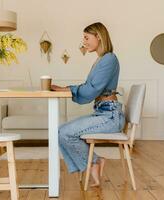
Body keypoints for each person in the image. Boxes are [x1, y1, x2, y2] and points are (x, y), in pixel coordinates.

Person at [51, 22, 125, 186]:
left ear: (98, 36)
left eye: (86, 38)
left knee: (64, 133)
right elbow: (90, 88)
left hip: (110, 116)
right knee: (60, 132)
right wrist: (67, 89)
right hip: (102, 112)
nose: (84, 42)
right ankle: (95, 162)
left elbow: (92, 90)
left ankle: (94, 163)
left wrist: (67, 89)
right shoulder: (101, 59)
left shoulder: (109, 59)